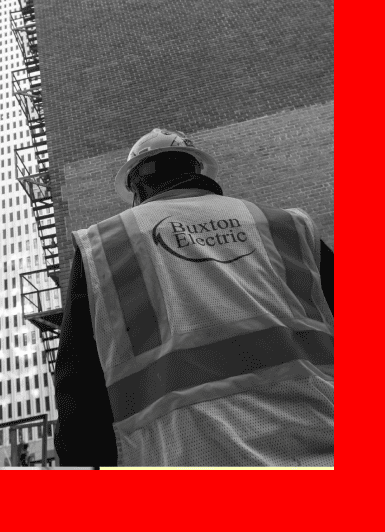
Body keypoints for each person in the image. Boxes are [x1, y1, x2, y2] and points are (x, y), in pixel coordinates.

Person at [54, 128, 334, 467]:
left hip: (186, 457)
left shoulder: (106, 246)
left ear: (137, 187)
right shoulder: (287, 226)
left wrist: (88, 453)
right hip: (321, 448)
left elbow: (78, 383)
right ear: (198, 171)